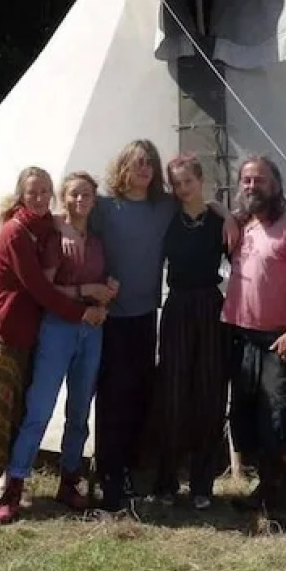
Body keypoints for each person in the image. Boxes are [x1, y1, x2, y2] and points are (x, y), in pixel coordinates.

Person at [0, 167, 104, 527]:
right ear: (21, 195)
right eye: (34, 192)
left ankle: (44, 481)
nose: (41, 197)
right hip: (4, 332)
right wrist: (85, 306)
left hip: (29, 336)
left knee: (23, 413)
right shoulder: (17, 232)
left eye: (46, 191)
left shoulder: (47, 228)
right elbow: (40, 289)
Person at [0, 171, 116, 523]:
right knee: (40, 408)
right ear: (64, 198)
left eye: (86, 195)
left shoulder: (96, 240)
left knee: (79, 411)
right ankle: (15, 486)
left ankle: (69, 480)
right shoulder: (53, 237)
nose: (80, 201)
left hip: (91, 330)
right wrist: (86, 292)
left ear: (94, 200)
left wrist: (104, 296)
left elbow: (98, 286)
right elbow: (44, 290)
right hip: (59, 328)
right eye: (74, 195)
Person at [222, 154, 286, 529]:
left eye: (258, 180)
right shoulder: (244, 226)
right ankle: (266, 490)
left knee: (283, 419)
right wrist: (227, 212)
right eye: (246, 180)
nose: (251, 186)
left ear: (275, 184)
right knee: (251, 418)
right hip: (241, 336)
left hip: (277, 337)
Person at [87, 138, 173, 512]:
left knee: (139, 395)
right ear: (123, 167)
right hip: (111, 317)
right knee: (113, 398)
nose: (144, 169)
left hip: (144, 315)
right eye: (138, 162)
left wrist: (224, 210)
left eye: (150, 164)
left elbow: (198, 203)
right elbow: (71, 226)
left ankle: (131, 468)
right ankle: (109, 472)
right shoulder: (105, 207)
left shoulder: (163, 207)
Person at [149, 154, 232, 509]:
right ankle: (166, 481)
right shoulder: (168, 217)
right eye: (177, 183)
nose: (183, 189)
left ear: (201, 179)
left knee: (210, 394)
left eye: (188, 181)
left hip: (211, 308)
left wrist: (227, 213)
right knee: (173, 393)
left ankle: (202, 484)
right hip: (178, 306)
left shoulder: (219, 219)